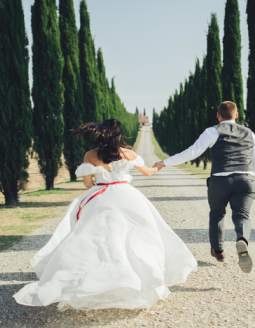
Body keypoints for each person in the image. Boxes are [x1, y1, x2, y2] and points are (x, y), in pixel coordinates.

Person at [14, 119, 197, 310]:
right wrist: (159, 165)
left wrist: (99, 191)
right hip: (128, 196)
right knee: (141, 236)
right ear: (118, 135)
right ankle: (140, 280)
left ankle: (89, 280)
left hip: (100, 195)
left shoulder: (90, 155)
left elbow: (87, 183)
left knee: (95, 240)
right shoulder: (128, 153)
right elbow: (148, 173)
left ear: (100, 134)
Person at [153, 101, 255, 273]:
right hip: (245, 179)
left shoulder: (212, 131)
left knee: (217, 214)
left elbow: (192, 152)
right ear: (236, 115)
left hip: (220, 180)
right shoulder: (250, 133)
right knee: (242, 215)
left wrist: (165, 163)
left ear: (218, 115)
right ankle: (242, 240)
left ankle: (218, 251)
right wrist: (248, 176)